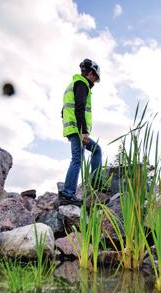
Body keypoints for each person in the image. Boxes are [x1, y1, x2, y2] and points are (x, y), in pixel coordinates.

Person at [58, 58, 102, 206]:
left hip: (73, 129)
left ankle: (94, 184)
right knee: (78, 159)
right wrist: (82, 132)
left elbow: (63, 111)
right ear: (90, 73)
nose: (95, 82)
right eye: (95, 78)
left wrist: (70, 131)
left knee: (94, 150)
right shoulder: (82, 84)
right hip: (78, 130)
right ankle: (68, 193)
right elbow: (79, 108)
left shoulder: (73, 85)